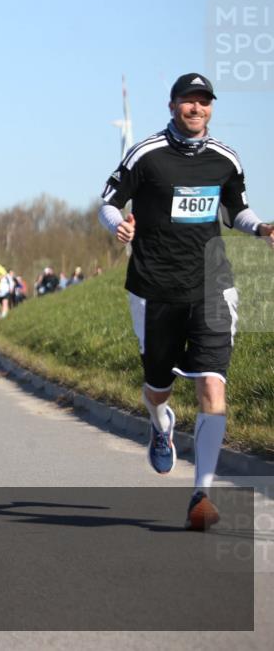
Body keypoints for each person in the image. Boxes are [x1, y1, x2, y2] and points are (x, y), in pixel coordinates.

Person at [98, 72, 274, 530]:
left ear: (211, 108)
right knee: (158, 387)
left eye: (204, 102)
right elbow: (109, 201)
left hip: (212, 285)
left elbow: (236, 209)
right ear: (172, 105)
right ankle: (161, 424)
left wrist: (261, 228)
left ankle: (202, 494)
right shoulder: (146, 154)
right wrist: (117, 224)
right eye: (188, 102)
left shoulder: (224, 159)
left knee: (213, 385)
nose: (197, 109)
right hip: (154, 288)